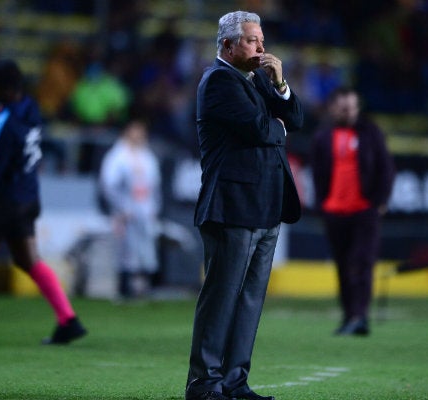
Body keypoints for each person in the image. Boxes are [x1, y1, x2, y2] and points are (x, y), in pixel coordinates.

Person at [185, 11, 303, 400]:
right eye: (253, 41)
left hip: (264, 205)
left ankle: (235, 382)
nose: (261, 49)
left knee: (249, 300)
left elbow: (295, 119)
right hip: (231, 206)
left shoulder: (256, 78)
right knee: (222, 298)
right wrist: (278, 127)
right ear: (228, 45)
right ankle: (205, 384)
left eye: (262, 40)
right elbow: (258, 128)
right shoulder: (219, 80)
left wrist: (281, 84)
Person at [0, 60, 87, 345]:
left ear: (5, 89)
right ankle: (68, 320)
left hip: (1, 200)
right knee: (28, 259)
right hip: (28, 197)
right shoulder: (30, 110)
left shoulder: (5, 125)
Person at [311, 87, 395, 336]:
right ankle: (350, 316)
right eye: (344, 107)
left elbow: (386, 168)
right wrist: (321, 205)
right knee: (343, 266)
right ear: (333, 108)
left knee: (361, 262)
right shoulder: (322, 137)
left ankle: (359, 316)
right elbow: (317, 175)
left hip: (364, 211)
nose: (349, 112)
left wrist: (380, 201)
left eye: (353, 107)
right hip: (335, 212)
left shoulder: (371, 133)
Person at [99, 120, 162, 299]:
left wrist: (154, 207)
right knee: (127, 250)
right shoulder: (117, 156)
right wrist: (120, 207)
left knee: (147, 249)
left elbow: (155, 186)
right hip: (126, 210)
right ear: (127, 132)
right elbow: (109, 185)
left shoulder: (147, 156)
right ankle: (125, 288)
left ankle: (145, 288)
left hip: (145, 208)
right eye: (136, 130)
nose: (140, 135)